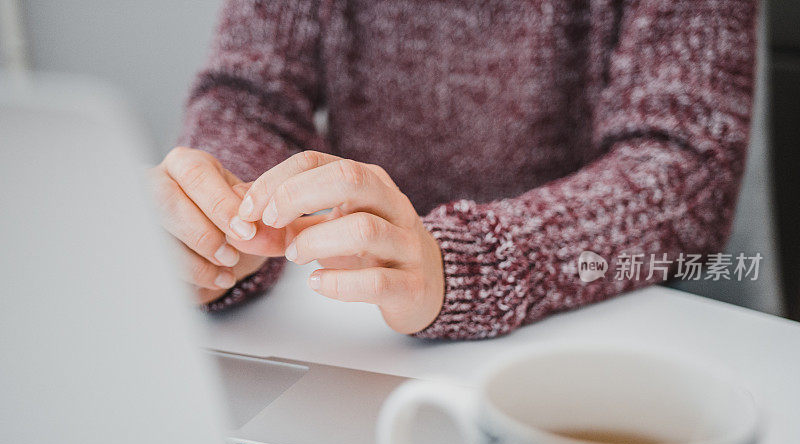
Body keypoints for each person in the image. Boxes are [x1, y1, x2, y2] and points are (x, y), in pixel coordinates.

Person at [148, 0, 757, 339]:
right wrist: (224, 223)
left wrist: (465, 261)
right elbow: (251, 101)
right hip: (348, 327)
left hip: (590, 324)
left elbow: (686, 161)